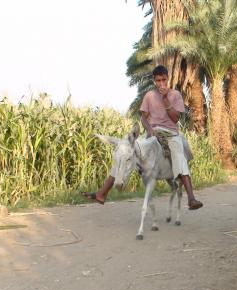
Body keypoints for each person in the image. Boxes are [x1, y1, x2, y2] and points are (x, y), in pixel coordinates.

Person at [83, 65, 203, 210]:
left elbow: (175, 118)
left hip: (171, 133)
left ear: (168, 78)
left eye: (164, 80)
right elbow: (143, 118)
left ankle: (191, 198)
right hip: (153, 133)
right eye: (158, 80)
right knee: (125, 151)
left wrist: (165, 99)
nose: (161, 83)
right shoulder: (149, 96)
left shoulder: (175, 95)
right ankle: (102, 193)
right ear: (154, 80)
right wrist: (149, 129)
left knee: (178, 155)